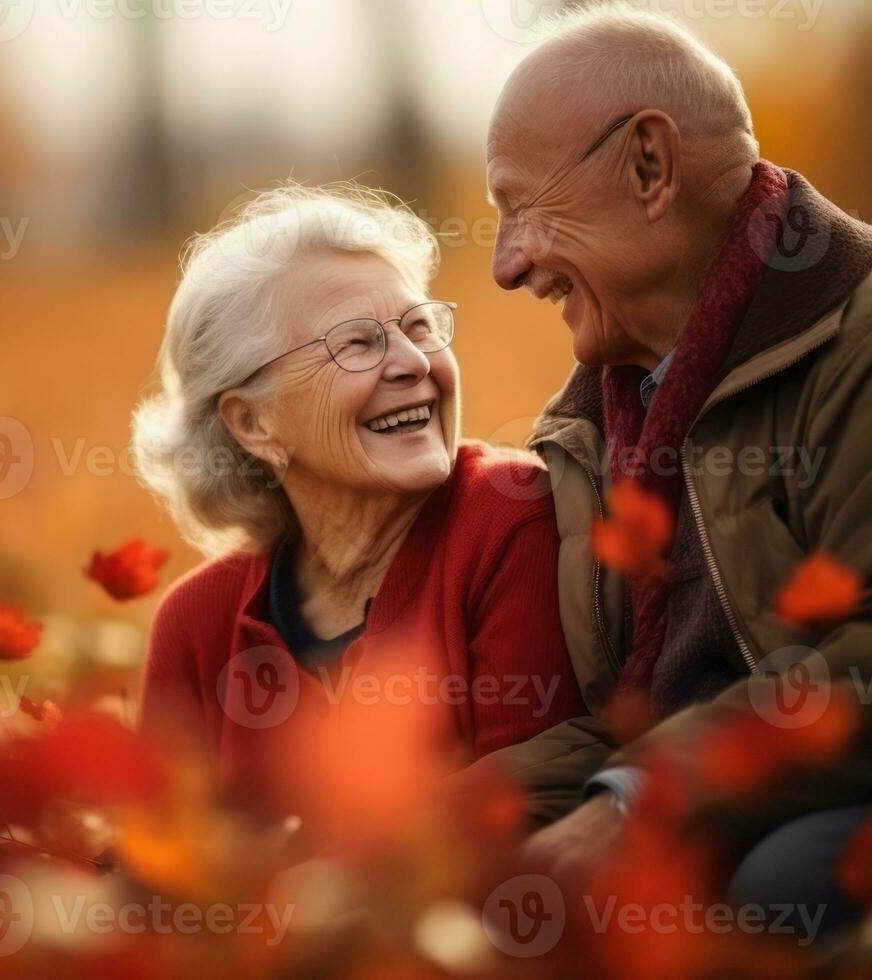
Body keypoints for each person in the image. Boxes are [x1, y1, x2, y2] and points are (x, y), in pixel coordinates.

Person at [479, 3, 872, 930]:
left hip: (839, 797)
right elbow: (636, 713)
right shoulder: (598, 426)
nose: (505, 265)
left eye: (518, 206)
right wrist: (441, 826)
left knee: (783, 881)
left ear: (648, 167)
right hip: (719, 785)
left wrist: (640, 799)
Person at [131, 184, 595, 821]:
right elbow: (156, 870)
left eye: (418, 327)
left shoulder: (508, 520)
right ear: (253, 422)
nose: (411, 362)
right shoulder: (195, 623)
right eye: (356, 343)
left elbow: (527, 824)